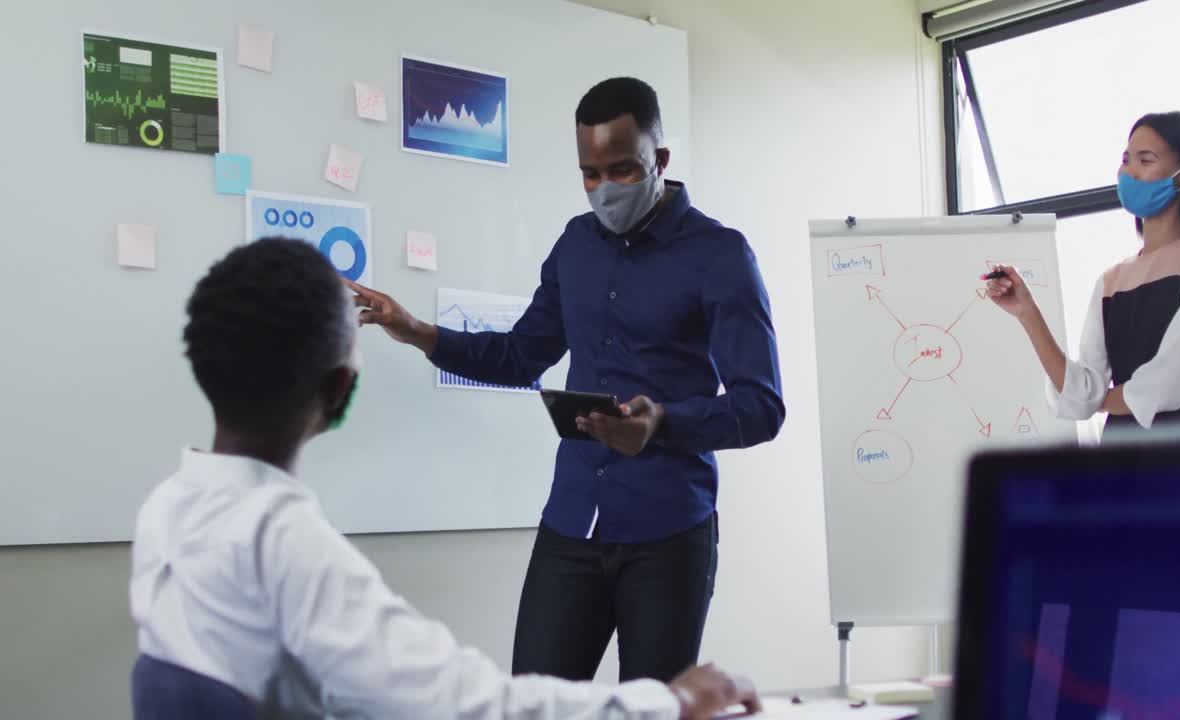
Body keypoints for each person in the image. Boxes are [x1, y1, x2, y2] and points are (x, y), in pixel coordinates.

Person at [129, 237, 762, 720]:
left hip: (669, 523)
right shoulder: (291, 548)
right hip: (575, 521)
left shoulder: (165, 512)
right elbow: (471, 705)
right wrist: (669, 705)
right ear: (340, 389)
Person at [346, 77, 784, 683]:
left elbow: (762, 407)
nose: (604, 189)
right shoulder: (575, 246)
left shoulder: (721, 255)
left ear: (660, 160)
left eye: (623, 171)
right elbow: (521, 356)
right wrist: (419, 330)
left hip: (669, 530)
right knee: (533, 703)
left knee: (651, 710)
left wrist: (661, 424)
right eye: (589, 173)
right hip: (573, 519)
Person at [987, 111, 1180, 439]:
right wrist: (1027, 312)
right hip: (1122, 460)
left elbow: (1168, 386)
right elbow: (1078, 393)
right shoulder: (1112, 280)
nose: (1128, 172)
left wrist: (1095, 401)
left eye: (1145, 161)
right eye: (1126, 159)